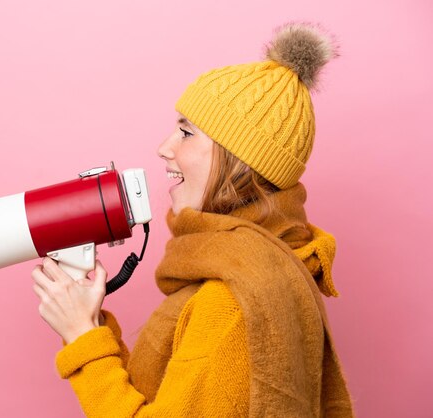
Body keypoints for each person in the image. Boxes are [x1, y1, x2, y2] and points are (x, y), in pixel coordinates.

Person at [31, 22, 354, 417]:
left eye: (186, 133)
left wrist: (81, 337)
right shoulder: (258, 269)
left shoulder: (236, 302)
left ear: (239, 162)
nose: (164, 147)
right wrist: (91, 323)